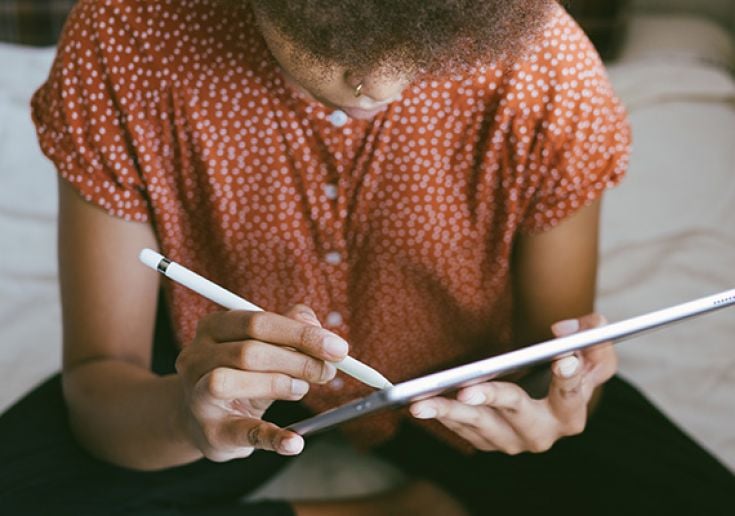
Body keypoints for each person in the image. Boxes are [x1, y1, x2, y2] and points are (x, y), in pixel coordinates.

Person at [1, 0, 733, 514]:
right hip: (213, 367)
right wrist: (187, 420)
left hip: (465, 390)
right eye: (325, 35)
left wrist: (556, 408)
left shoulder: (544, 67)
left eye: (423, 59)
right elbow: (100, 384)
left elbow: (556, 361)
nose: (375, 87)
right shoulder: (127, 36)